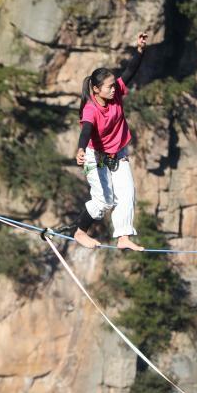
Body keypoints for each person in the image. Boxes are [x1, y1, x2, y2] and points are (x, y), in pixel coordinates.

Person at [72, 32, 148, 251]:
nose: (114, 89)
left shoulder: (114, 95)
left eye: (114, 86)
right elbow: (86, 130)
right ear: (96, 90)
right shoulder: (91, 109)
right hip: (95, 157)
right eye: (109, 87)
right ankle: (79, 232)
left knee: (127, 193)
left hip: (117, 155)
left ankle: (123, 237)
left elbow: (130, 72)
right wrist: (79, 149)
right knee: (105, 201)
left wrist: (140, 50)